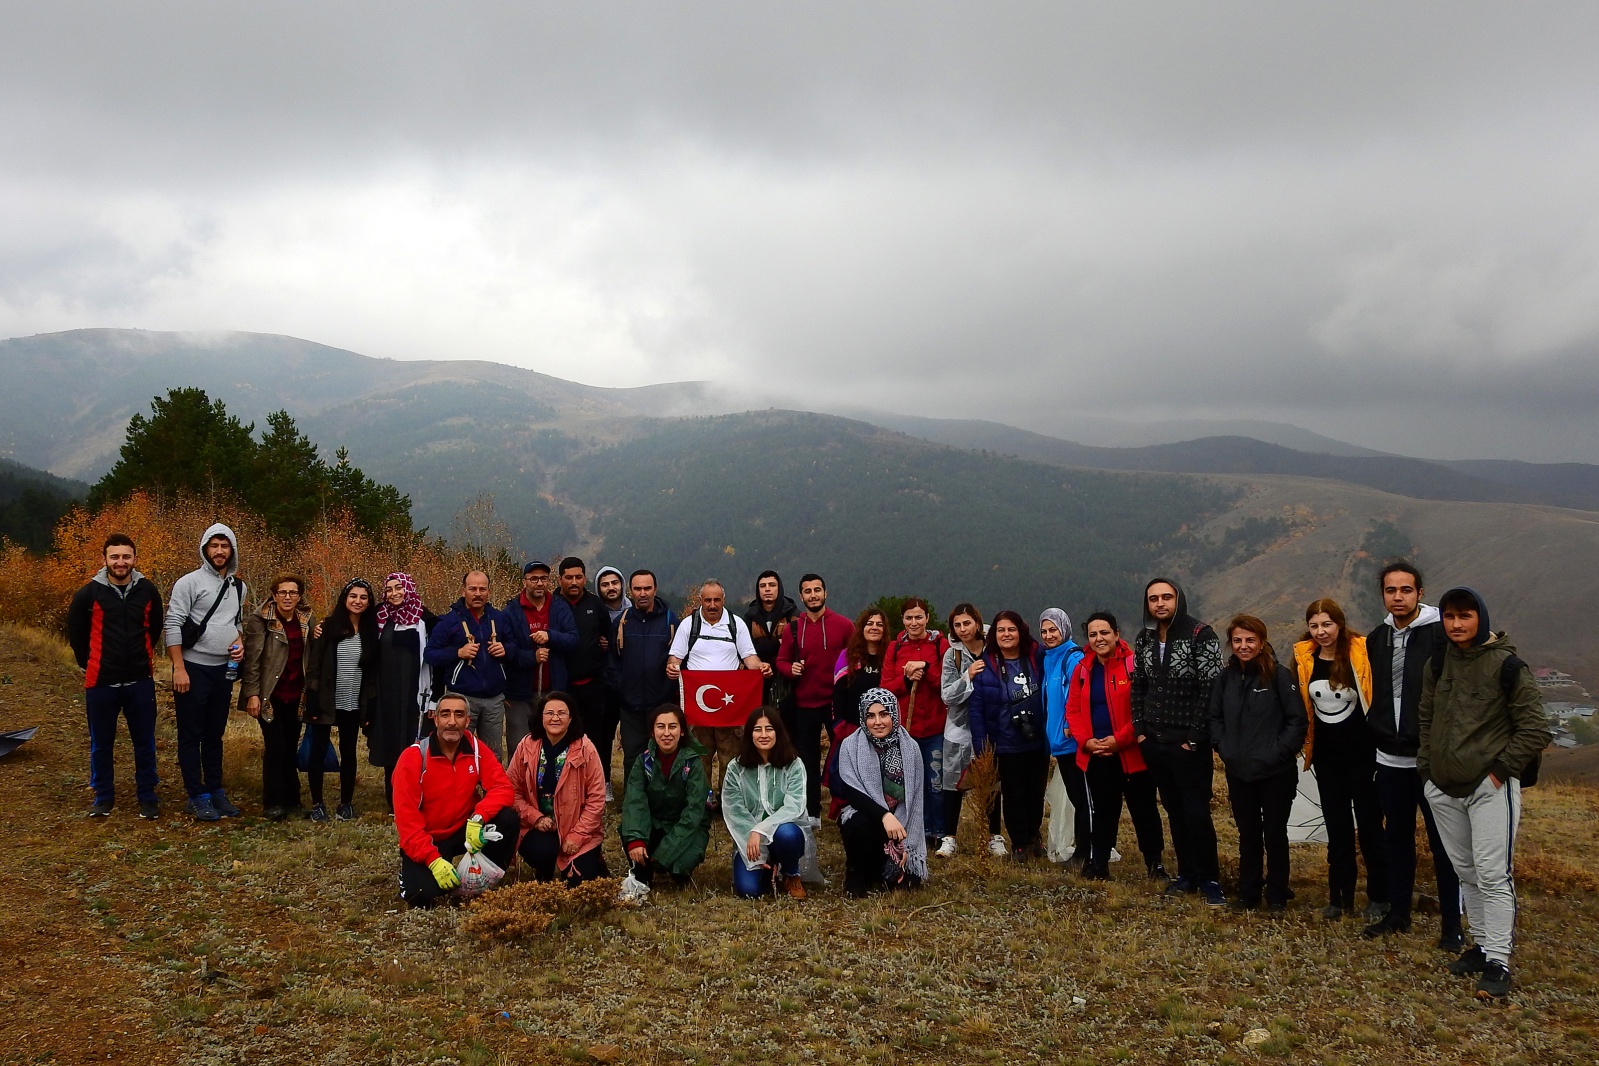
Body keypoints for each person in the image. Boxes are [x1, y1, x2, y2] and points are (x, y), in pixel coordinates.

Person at [1419, 587, 1549, 1000]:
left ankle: (1499, 962)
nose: (1456, 624)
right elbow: (1426, 718)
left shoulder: (1508, 666)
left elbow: (1536, 729)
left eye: (1465, 616)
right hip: (1443, 788)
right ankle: (1481, 947)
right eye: (1449, 616)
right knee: (1466, 872)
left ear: (1481, 618)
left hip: (1488, 788)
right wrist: (1427, 771)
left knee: (1493, 874)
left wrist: (1498, 775)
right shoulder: (1438, 662)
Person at [1361, 561, 1464, 949]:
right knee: (1398, 840)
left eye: (1406, 590)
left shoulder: (1441, 634)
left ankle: (1452, 925)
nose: (1398, 597)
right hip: (1390, 759)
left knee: (1443, 844)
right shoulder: (1378, 638)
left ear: (1420, 593)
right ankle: (1398, 913)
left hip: (1431, 760)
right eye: (1391, 590)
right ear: (1382, 595)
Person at [1294, 598, 1388, 921]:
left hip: (1364, 757)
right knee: (1337, 829)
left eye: (1327, 624)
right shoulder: (1305, 659)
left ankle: (1380, 897)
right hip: (1327, 760)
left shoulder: (1360, 655)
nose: (1321, 632)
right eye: (1314, 625)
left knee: (1371, 827)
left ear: (1340, 623)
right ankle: (1339, 897)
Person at [1131, 577, 1224, 905]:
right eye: (1154, 598)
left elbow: (1211, 688)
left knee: (1196, 812)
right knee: (1174, 811)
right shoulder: (1144, 638)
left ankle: (1210, 878)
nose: (1160, 603)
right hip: (1155, 742)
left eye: (1166, 597)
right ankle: (1187, 875)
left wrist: (1195, 737)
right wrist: (1140, 730)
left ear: (1178, 600)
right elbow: (1138, 685)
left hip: (1188, 744)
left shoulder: (1201, 635)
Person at [1210, 616, 1306, 912]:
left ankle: (1277, 894)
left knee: (1275, 834)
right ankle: (1248, 893)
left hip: (1276, 772)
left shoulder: (1278, 676)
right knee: (1248, 834)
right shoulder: (1225, 678)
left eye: (1250, 640)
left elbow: (1297, 720)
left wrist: (1279, 752)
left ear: (1262, 642)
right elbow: (1214, 717)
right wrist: (1225, 749)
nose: (1244, 646)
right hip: (1239, 771)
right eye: (1237, 640)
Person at [67, 533, 165, 819]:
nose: (120, 562)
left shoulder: (148, 590)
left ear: (135, 559)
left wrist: (141, 658)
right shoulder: (88, 594)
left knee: (144, 742)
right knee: (101, 743)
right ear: (105, 559)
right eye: (114, 557)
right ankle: (103, 796)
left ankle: (147, 796)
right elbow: (76, 633)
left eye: (126, 556)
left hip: (140, 680)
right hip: (101, 682)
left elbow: (155, 628)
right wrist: (88, 664)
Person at [1063, 612, 1167, 880]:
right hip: (1097, 754)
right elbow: (1073, 709)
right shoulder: (1083, 669)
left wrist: (1119, 740)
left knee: (1144, 810)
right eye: (1093, 634)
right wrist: (1086, 741)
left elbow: (1145, 708)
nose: (1099, 639)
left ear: (1117, 634)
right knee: (1103, 811)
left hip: (1133, 753)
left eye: (1104, 633)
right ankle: (1099, 864)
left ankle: (1154, 864)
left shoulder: (1134, 665)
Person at [393, 692, 520, 908]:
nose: (452, 722)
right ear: (435, 719)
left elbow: (503, 788)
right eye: (445, 714)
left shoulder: (476, 748)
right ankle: (414, 875)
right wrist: (433, 860)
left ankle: (481, 880)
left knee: (508, 819)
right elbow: (407, 822)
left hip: (465, 829)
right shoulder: (413, 758)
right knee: (422, 897)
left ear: (467, 721)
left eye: (459, 715)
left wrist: (479, 817)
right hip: (430, 837)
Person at [163, 522, 247, 822]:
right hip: (193, 669)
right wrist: (179, 668)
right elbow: (173, 624)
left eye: (225, 546)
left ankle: (214, 790)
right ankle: (195, 795)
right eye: (214, 545)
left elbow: (236, 622)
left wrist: (239, 643)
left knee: (215, 733)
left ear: (232, 550)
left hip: (223, 671)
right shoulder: (189, 583)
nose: (220, 551)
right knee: (190, 734)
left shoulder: (238, 586)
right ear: (205, 549)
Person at [666, 579, 769, 807]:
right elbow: (675, 657)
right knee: (698, 757)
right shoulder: (689, 625)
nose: (712, 605)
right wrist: (672, 666)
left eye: (717, 600)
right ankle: (700, 801)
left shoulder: (736, 624)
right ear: (700, 600)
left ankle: (728, 803)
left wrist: (760, 667)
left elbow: (749, 657)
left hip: (729, 707)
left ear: (724, 599)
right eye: (707, 600)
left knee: (730, 758)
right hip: (697, 707)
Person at [968, 611, 1050, 861]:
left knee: (1036, 793)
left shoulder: (1037, 657)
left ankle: (1034, 837)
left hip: (1037, 739)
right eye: (1001, 630)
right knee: (1013, 794)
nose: (1006, 634)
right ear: (993, 635)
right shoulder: (986, 666)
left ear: (1021, 632)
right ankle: (1020, 843)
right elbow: (977, 711)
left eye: (1011, 629)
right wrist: (983, 748)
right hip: (1005, 742)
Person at [507, 692, 609, 885]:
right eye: (549, 713)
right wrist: (535, 818)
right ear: (541, 717)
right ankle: (544, 869)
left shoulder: (585, 748)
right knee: (541, 852)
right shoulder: (527, 745)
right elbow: (512, 790)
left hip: (576, 827)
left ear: (570, 718)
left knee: (578, 885)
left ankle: (592, 860)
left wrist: (577, 836)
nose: (555, 718)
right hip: (541, 825)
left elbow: (596, 800)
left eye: (562, 713)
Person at [833, 688, 928, 897]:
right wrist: (885, 816)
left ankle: (888, 868)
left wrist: (907, 843)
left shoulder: (911, 748)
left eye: (884, 714)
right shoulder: (850, 745)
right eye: (870, 716)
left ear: (894, 714)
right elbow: (852, 793)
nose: (877, 722)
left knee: (909, 885)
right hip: (867, 816)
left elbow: (915, 799)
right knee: (859, 825)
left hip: (901, 820)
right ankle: (856, 874)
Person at [425, 570, 527, 761]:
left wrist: (505, 649)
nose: (478, 593)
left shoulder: (499, 618)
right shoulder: (449, 621)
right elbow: (430, 654)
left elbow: (514, 647)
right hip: (462, 698)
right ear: (463, 590)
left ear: (489, 591)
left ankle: (490, 782)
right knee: (458, 751)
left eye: (482, 589)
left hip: (494, 699)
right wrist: (457, 652)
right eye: (472, 589)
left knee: (493, 754)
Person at [775, 573, 854, 820]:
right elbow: (781, 660)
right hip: (804, 703)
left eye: (817, 590)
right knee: (808, 760)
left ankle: (846, 807)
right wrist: (791, 669)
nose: (813, 595)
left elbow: (855, 659)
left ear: (825, 593)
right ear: (801, 597)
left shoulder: (844, 625)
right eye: (807, 591)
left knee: (844, 757)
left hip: (835, 704)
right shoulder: (793, 628)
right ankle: (812, 812)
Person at [237, 573, 314, 821]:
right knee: (275, 747)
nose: (287, 597)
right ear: (274, 595)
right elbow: (253, 661)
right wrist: (252, 694)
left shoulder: (306, 620)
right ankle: (273, 801)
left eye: (293, 592)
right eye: (282, 592)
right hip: (270, 696)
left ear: (299, 596)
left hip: (297, 696)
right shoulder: (261, 620)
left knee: (290, 747)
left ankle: (292, 800)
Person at [304, 578, 379, 821]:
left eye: (363, 597)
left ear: (369, 602)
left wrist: (369, 706)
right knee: (317, 751)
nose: (358, 601)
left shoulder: (370, 632)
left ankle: (346, 803)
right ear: (344, 599)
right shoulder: (328, 627)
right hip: (326, 700)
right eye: (353, 596)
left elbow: (371, 674)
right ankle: (317, 804)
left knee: (349, 752)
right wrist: (312, 697)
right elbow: (314, 665)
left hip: (353, 702)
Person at [881, 598, 951, 850]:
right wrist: (906, 679)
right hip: (905, 729)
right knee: (911, 783)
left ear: (927, 618)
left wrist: (926, 668)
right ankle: (917, 828)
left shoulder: (940, 645)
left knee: (936, 783)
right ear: (903, 620)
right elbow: (885, 687)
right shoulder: (895, 647)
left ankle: (939, 831)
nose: (914, 622)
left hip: (935, 726)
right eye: (909, 618)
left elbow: (946, 683)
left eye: (919, 617)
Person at [938, 603, 1005, 858]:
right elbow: (947, 695)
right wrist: (967, 676)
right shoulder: (952, 655)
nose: (963, 629)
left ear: (977, 622)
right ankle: (949, 838)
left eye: (967, 623)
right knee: (952, 782)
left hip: (991, 725)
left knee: (992, 781)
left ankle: (994, 836)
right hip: (958, 728)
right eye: (957, 625)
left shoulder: (995, 648)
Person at [619, 704, 711, 888]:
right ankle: (644, 872)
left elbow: (694, 812)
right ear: (652, 732)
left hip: (686, 827)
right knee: (631, 834)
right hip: (654, 822)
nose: (666, 733)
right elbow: (635, 802)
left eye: (673, 726)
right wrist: (636, 839)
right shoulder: (643, 762)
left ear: (682, 731)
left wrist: (665, 853)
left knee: (680, 867)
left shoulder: (693, 763)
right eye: (660, 727)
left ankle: (674, 869)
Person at [721, 707, 809, 899]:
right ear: (749, 734)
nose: (763, 735)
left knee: (787, 834)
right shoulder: (736, 768)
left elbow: (794, 806)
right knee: (749, 891)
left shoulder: (793, 764)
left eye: (769, 729)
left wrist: (761, 829)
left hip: (782, 834)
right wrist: (754, 840)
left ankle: (790, 873)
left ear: (778, 732)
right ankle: (768, 870)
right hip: (749, 839)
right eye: (757, 729)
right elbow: (734, 812)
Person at [370, 572, 437, 813]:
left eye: (399, 588)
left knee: (415, 747)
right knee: (390, 744)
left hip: (415, 694)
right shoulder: (379, 618)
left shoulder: (426, 620)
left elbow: (435, 662)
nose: (394, 593)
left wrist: (434, 700)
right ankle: (393, 798)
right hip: (386, 694)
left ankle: (416, 797)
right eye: (389, 589)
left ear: (408, 589)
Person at [557, 558, 619, 799]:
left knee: (597, 738)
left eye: (578, 577)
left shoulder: (595, 604)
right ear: (560, 579)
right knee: (563, 736)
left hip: (594, 685)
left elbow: (607, 636)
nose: (574, 582)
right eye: (569, 577)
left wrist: (603, 645)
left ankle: (601, 783)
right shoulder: (553, 603)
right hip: (562, 686)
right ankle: (563, 785)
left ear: (585, 578)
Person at [502, 561, 578, 757]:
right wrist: (532, 657)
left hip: (553, 691)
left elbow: (573, 639)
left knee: (553, 745)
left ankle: (551, 777)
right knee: (519, 747)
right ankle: (520, 778)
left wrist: (550, 636)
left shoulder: (559, 607)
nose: (539, 583)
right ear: (524, 582)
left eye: (543, 578)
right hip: (519, 693)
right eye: (534, 578)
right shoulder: (511, 611)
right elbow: (507, 651)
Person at [611, 569, 678, 775]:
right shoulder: (621, 622)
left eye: (647, 588)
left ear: (655, 589)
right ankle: (633, 794)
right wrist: (622, 690)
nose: (642, 593)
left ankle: (661, 793)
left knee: (663, 755)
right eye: (637, 589)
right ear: (630, 591)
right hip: (630, 706)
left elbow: (679, 660)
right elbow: (612, 662)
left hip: (661, 705)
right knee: (632, 757)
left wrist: (667, 691)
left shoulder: (671, 621)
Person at [1039, 608, 1089, 868]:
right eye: (1044, 631)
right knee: (1075, 796)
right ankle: (1084, 848)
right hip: (1059, 741)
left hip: (1072, 740)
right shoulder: (1050, 658)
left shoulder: (1073, 656)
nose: (1049, 635)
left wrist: (1071, 724)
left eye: (1053, 630)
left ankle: (1085, 851)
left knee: (1082, 798)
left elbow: (1078, 692)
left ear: (1065, 629)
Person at [829, 607, 887, 819]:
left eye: (879, 624)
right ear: (861, 627)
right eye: (870, 624)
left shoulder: (889, 656)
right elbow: (838, 692)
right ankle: (847, 812)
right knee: (845, 774)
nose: (874, 628)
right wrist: (839, 725)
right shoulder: (848, 656)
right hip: (851, 728)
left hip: (881, 729)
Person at [745, 570, 797, 704]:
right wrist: (777, 643)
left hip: (786, 679)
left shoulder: (793, 616)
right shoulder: (749, 617)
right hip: (758, 678)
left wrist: (765, 650)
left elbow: (794, 648)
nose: (767, 589)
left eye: (772, 585)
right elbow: (747, 649)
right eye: (763, 586)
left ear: (779, 588)